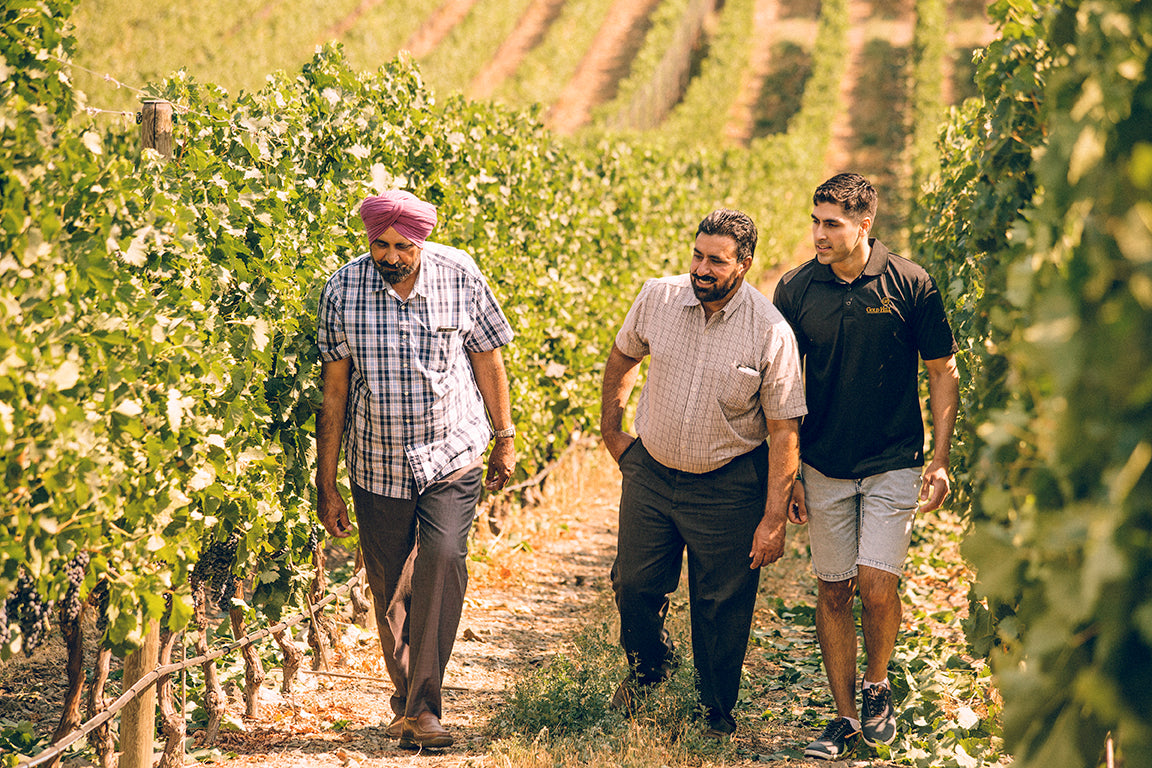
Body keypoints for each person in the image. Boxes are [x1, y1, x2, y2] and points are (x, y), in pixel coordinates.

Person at [315, 190, 516, 750]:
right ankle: (407, 700)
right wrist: (325, 482)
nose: (391, 256)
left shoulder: (460, 274)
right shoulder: (343, 290)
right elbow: (335, 392)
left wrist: (504, 437)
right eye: (380, 244)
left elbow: (488, 357)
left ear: (421, 241)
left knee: (445, 558)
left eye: (402, 246)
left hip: (452, 451)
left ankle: (425, 709)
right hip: (377, 459)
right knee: (389, 588)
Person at [772, 173, 960, 760]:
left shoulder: (911, 283)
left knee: (877, 586)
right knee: (834, 593)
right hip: (824, 465)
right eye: (815, 220)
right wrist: (790, 476)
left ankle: (877, 687)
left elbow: (942, 371)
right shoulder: (797, 289)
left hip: (892, 461)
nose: (819, 234)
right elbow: (781, 389)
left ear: (864, 225)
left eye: (832, 223)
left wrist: (940, 459)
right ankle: (846, 718)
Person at [601, 208, 808, 739]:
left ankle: (714, 711)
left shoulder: (770, 331)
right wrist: (613, 431)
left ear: (744, 263)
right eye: (697, 255)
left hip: (728, 484)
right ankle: (649, 671)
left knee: (721, 605)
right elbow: (623, 356)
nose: (702, 268)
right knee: (634, 583)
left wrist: (772, 519)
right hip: (651, 471)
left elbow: (784, 431)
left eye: (716, 260)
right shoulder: (659, 297)